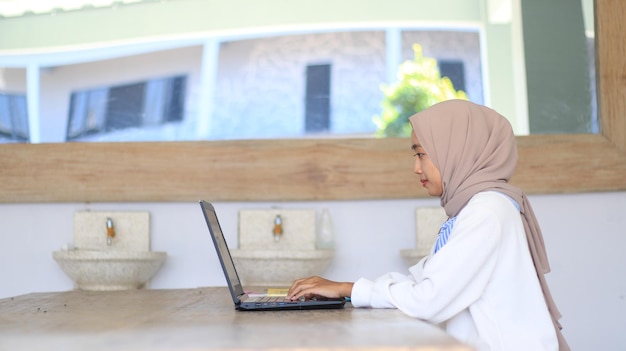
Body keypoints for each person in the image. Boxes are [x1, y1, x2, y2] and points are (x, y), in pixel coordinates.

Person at [287, 100, 569, 351]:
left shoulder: (486, 212)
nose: (416, 168)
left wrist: (347, 289)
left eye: (422, 154)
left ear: (457, 151)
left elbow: (428, 300)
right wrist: (346, 288)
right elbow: (423, 283)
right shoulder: (474, 208)